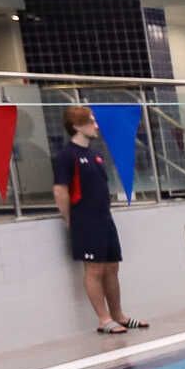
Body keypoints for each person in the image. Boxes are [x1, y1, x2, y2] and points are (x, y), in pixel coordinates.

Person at [52, 105, 144, 334]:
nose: (96, 126)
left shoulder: (95, 154)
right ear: (76, 126)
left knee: (112, 267)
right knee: (94, 270)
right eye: (91, 122)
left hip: (104, 217)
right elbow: (60, 190)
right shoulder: (67, 156)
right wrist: (69, 220)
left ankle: (118, 315)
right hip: (85, 219)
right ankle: (104, 320)